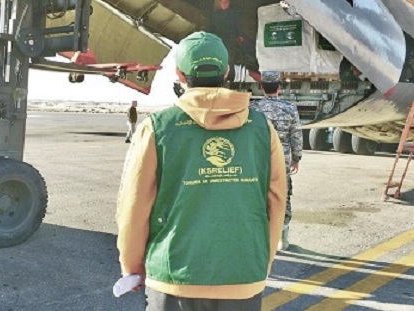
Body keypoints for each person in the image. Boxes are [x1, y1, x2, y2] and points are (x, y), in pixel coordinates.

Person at [116, 31, 287, 310]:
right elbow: (277, 202)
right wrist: (259, 262)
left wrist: (132, 266)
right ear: (227, 71)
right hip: (243, 275)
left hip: (174, 278)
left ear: (180, 75)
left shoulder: (156, 128)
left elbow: (134, 207)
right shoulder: (262, 129)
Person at [251, 71, 303, 251]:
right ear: (280, 87)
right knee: (283, 196)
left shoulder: (253, 108)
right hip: (282, 162)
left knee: (257, 197)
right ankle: (283, 238)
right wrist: (296, 158)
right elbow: (296, 136)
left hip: (257, 162)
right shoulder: (290, 108)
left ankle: (261, 238)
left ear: (261, 86)